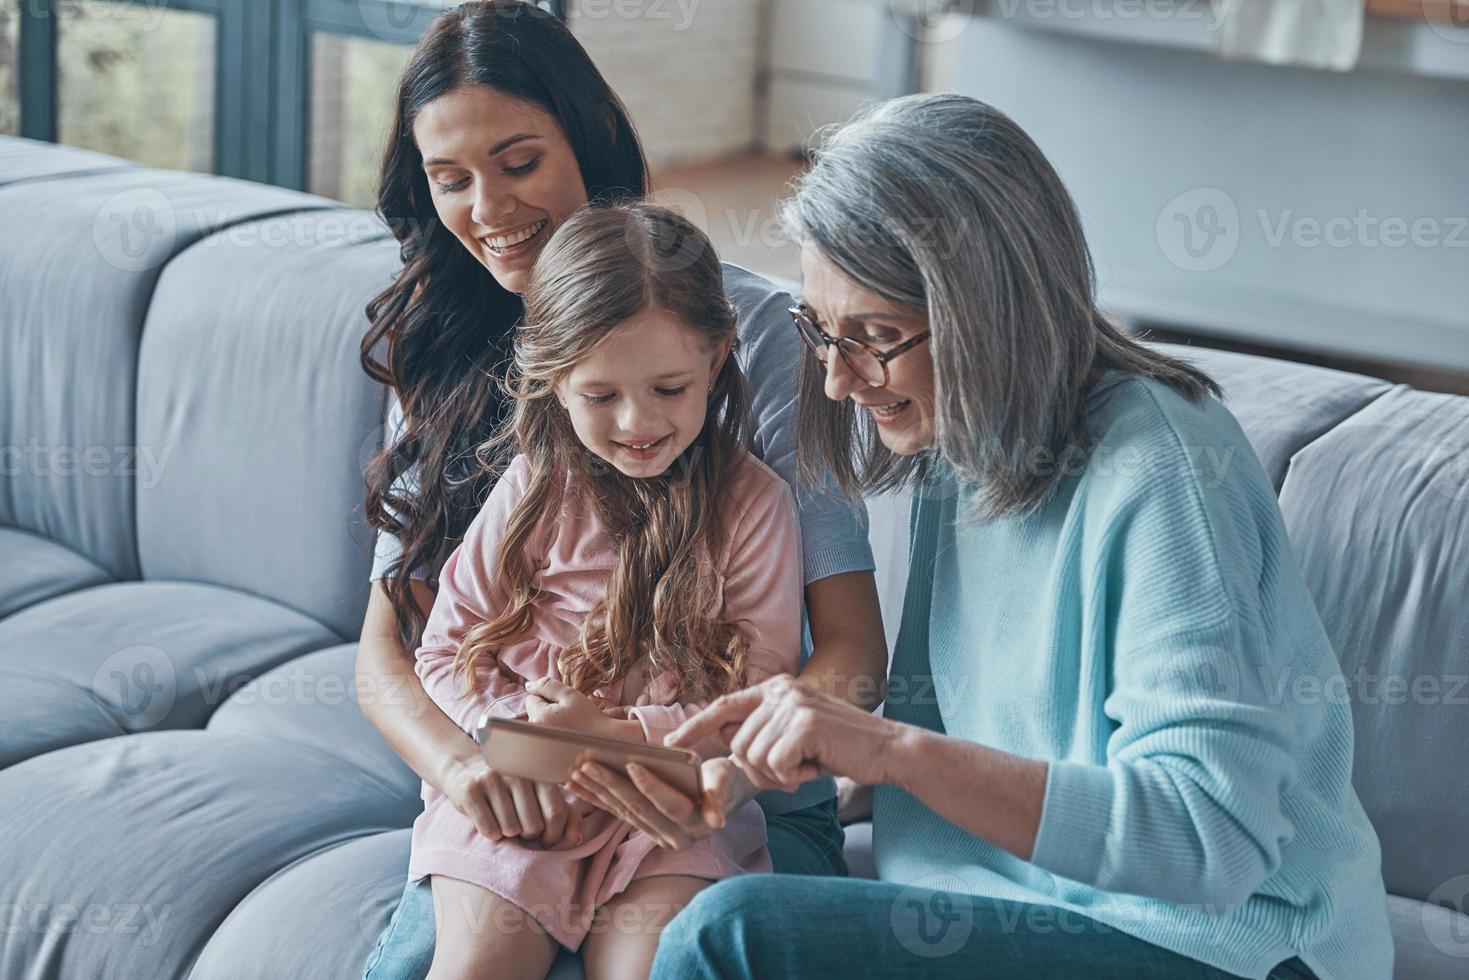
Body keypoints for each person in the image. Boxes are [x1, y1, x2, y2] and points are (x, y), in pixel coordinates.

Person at [583, 94, 1394, 980]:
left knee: (729, 932)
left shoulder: (1164, 473)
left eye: (876, 337)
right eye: (821, 332)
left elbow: (1208, 843)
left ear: (985, 310)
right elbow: (983, 743)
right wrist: (774, 770)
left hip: (1220, 948)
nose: (840, 379)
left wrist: (889, 751)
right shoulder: (961, 446)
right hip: (1007, 912)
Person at [356, 4, 886, 978]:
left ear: (589, 138)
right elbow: (394, 651)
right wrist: (480, 764)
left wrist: (684, 759)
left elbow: (848, 653)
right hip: (516, 785)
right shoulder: (442, 348)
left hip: (714, 799)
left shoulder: (759, 338)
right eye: (451, 179)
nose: (488, 207)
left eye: (519, 163)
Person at [404, 202, 805, 979]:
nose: (637, 422)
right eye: (600, 396)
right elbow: (444, 651)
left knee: (648, 966)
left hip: (670, 808)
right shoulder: (533, 489)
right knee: (477, 963)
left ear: (718, 357)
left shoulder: (755, 506)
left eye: (668, 387)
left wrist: (620, 735)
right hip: (525, 796)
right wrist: (524, 737)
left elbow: (761, 695)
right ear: (554, 380)